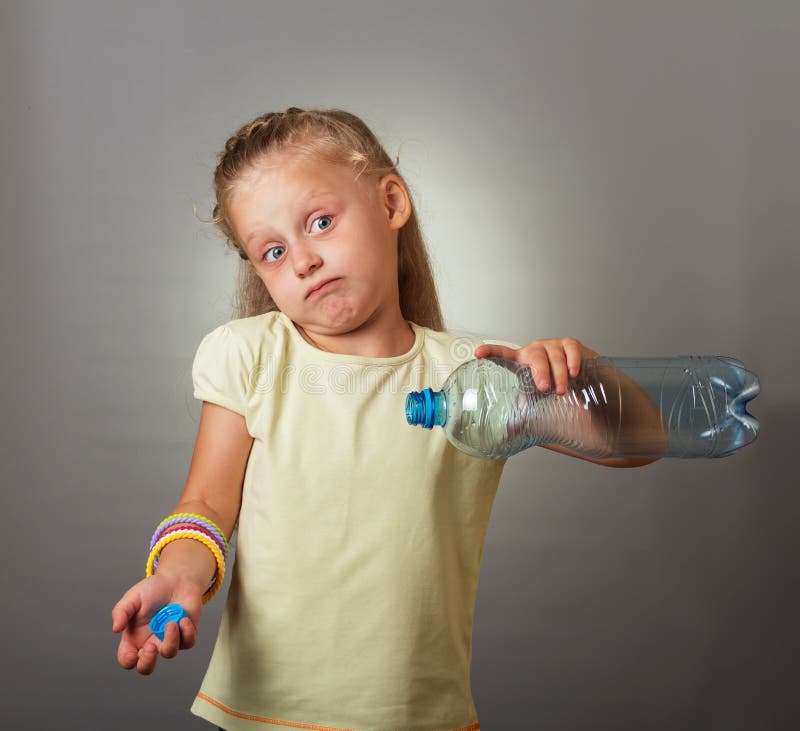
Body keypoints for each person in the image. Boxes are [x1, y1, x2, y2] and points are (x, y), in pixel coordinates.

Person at [111, 107, 660, 731]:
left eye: (321, 221)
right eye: (271, 251)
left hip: (419, 717)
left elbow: (637, 443)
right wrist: (179, 573)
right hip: (260, 713)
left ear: (390, 201)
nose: (302, 261)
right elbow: (206, 504)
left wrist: (587, 371)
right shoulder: (250, 355)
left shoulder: (477, 376)